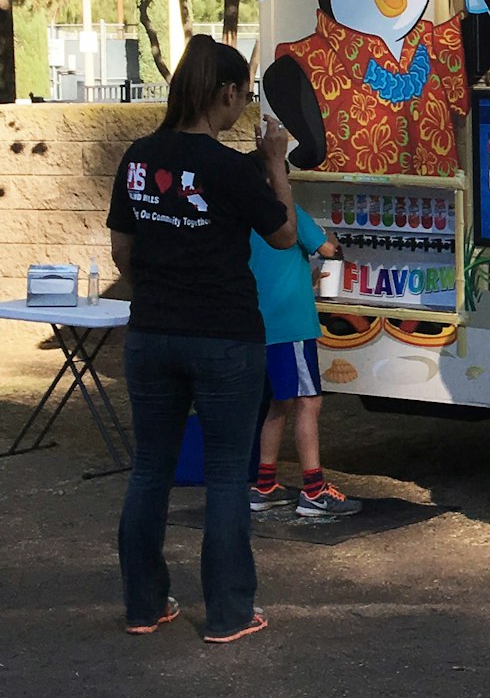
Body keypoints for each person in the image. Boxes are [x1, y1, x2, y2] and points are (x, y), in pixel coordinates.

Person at [109, 35, 297, 644]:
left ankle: (143, 605)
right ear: (223, 93)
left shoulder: (137, 157)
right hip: (224, 339)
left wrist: (155, 292)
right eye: (243, 95)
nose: (243, 106)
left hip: (150, 335)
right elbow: (284, 235)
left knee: (149, 473)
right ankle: (229, 613)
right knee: (223, 477)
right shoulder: (229, 168)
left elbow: (121, 249)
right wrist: (274, 164)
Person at [248, 204, 359, 520]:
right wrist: (333, 237)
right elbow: (329, 249)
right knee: (309, 402)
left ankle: (265, 485)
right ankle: (314, 491)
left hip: (259, 322)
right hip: (291, 324)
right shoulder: (287, 211)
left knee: (278, 403)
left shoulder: (243, 213)